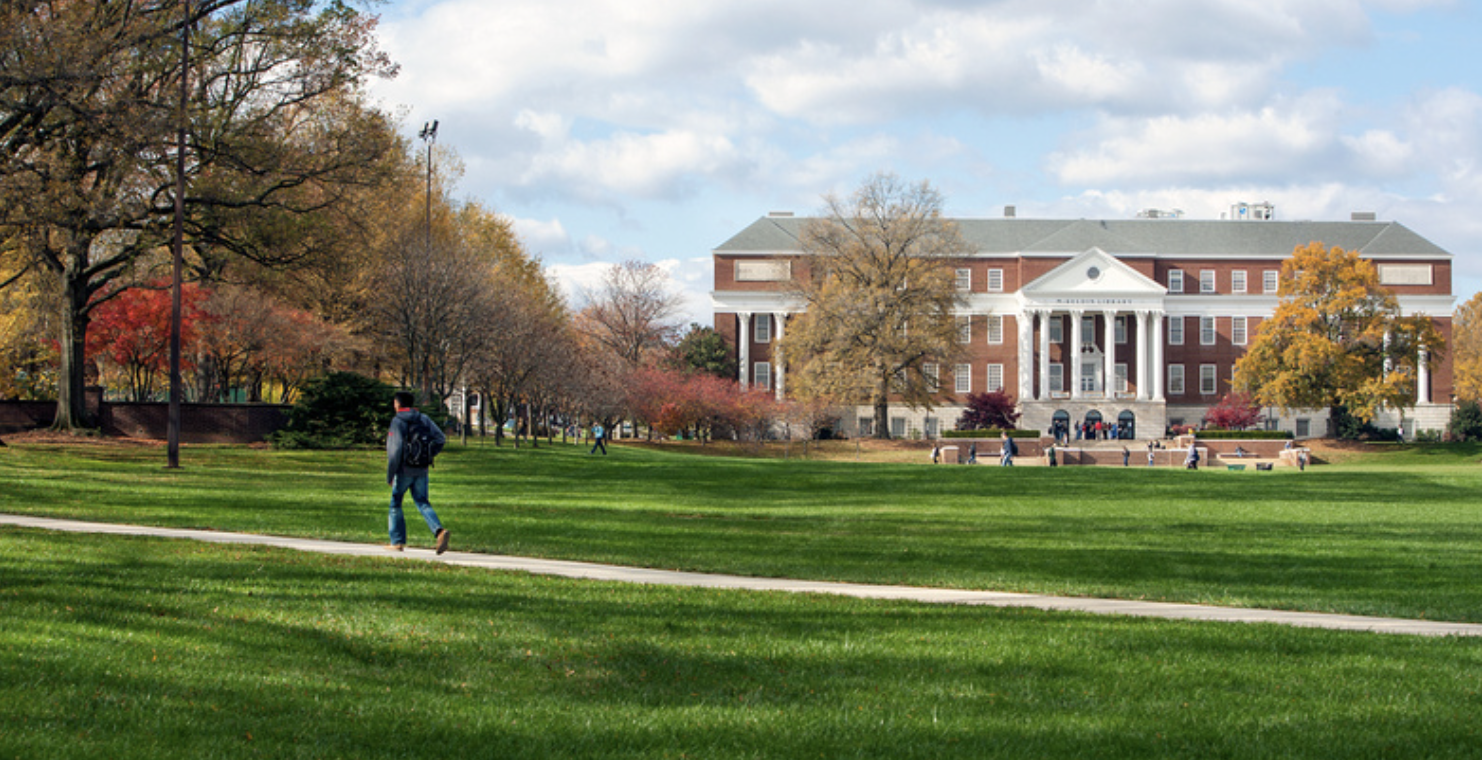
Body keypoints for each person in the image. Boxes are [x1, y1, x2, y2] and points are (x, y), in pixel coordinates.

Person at [386, 391, 450, 554]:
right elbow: (440, 438)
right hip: (422, 469)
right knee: (422, 502)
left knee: (395, 503)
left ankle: (397, 541)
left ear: (398, 404)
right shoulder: (423, 418)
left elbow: (395, 450)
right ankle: (439, 531)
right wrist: (428, 454)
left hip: (404, 470)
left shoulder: (397, 421)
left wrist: (390, 474)